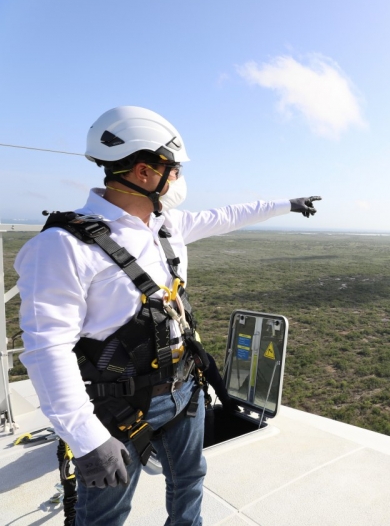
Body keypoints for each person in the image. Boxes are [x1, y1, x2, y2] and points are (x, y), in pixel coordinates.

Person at [15, 106, 321, 526]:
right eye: (173, 169)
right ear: (144, 172)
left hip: (184, 389)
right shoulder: (62, 248)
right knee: (106, 514)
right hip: (118, 406)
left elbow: (228, 216)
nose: (178, 178)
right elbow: (47, 350)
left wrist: (287, 204)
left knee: (190, 478)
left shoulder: (165, 227)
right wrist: (85, 440)